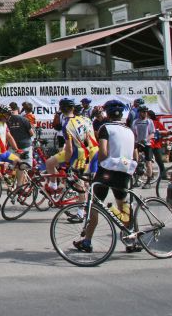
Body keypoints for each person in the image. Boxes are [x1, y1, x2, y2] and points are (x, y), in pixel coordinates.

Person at [74, 100, 139, 254]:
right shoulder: (129, 129)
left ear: (107, 114)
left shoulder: (105, 128)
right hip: (125, 170)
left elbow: (103, 152)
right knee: (123, 204)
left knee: (95, 204)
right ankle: (131, 240)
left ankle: (87, 241)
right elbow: (135, 153)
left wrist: (96, 168)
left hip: (107, 171)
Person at [46, 98, 98, 184]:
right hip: (94, 151)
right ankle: (56, 186)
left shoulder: (67, 125)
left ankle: (53, 185)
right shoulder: (86, 119)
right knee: (85, 181)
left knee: (79, 184)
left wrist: (66, 163)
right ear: (73, 108)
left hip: (79, 153)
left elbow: (69, 149)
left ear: (61, 110)